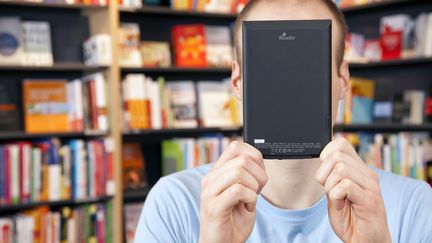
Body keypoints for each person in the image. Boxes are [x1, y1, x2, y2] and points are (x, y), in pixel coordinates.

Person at [134, 0, 432, 242]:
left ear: (343, 79)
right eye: (271, 63)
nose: (289, 84)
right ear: (237, 81)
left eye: (306, 62)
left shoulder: (414, 204)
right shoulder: (174, 202)